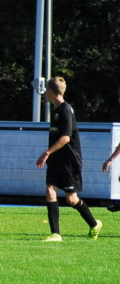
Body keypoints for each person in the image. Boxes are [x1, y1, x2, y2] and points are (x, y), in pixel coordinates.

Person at [35, 77, 102, 242]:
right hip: (57, 160)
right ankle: (56, 234)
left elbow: (65, 138)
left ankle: (94, 224)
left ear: (51, 92)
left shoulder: (65, 110)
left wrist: (47, 152)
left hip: (69, 161)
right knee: (50, 189)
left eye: (46, 92)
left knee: (71, 199)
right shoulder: (55, 110)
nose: (44, 95)